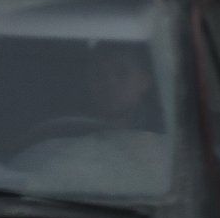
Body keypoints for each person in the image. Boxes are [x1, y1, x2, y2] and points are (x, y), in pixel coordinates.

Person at [10, 40, 171, 196]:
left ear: (145, 81)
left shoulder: (168, 139)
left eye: (122, 73)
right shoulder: (57, 133)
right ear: (88, 80)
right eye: (98, 74)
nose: (109, 82)